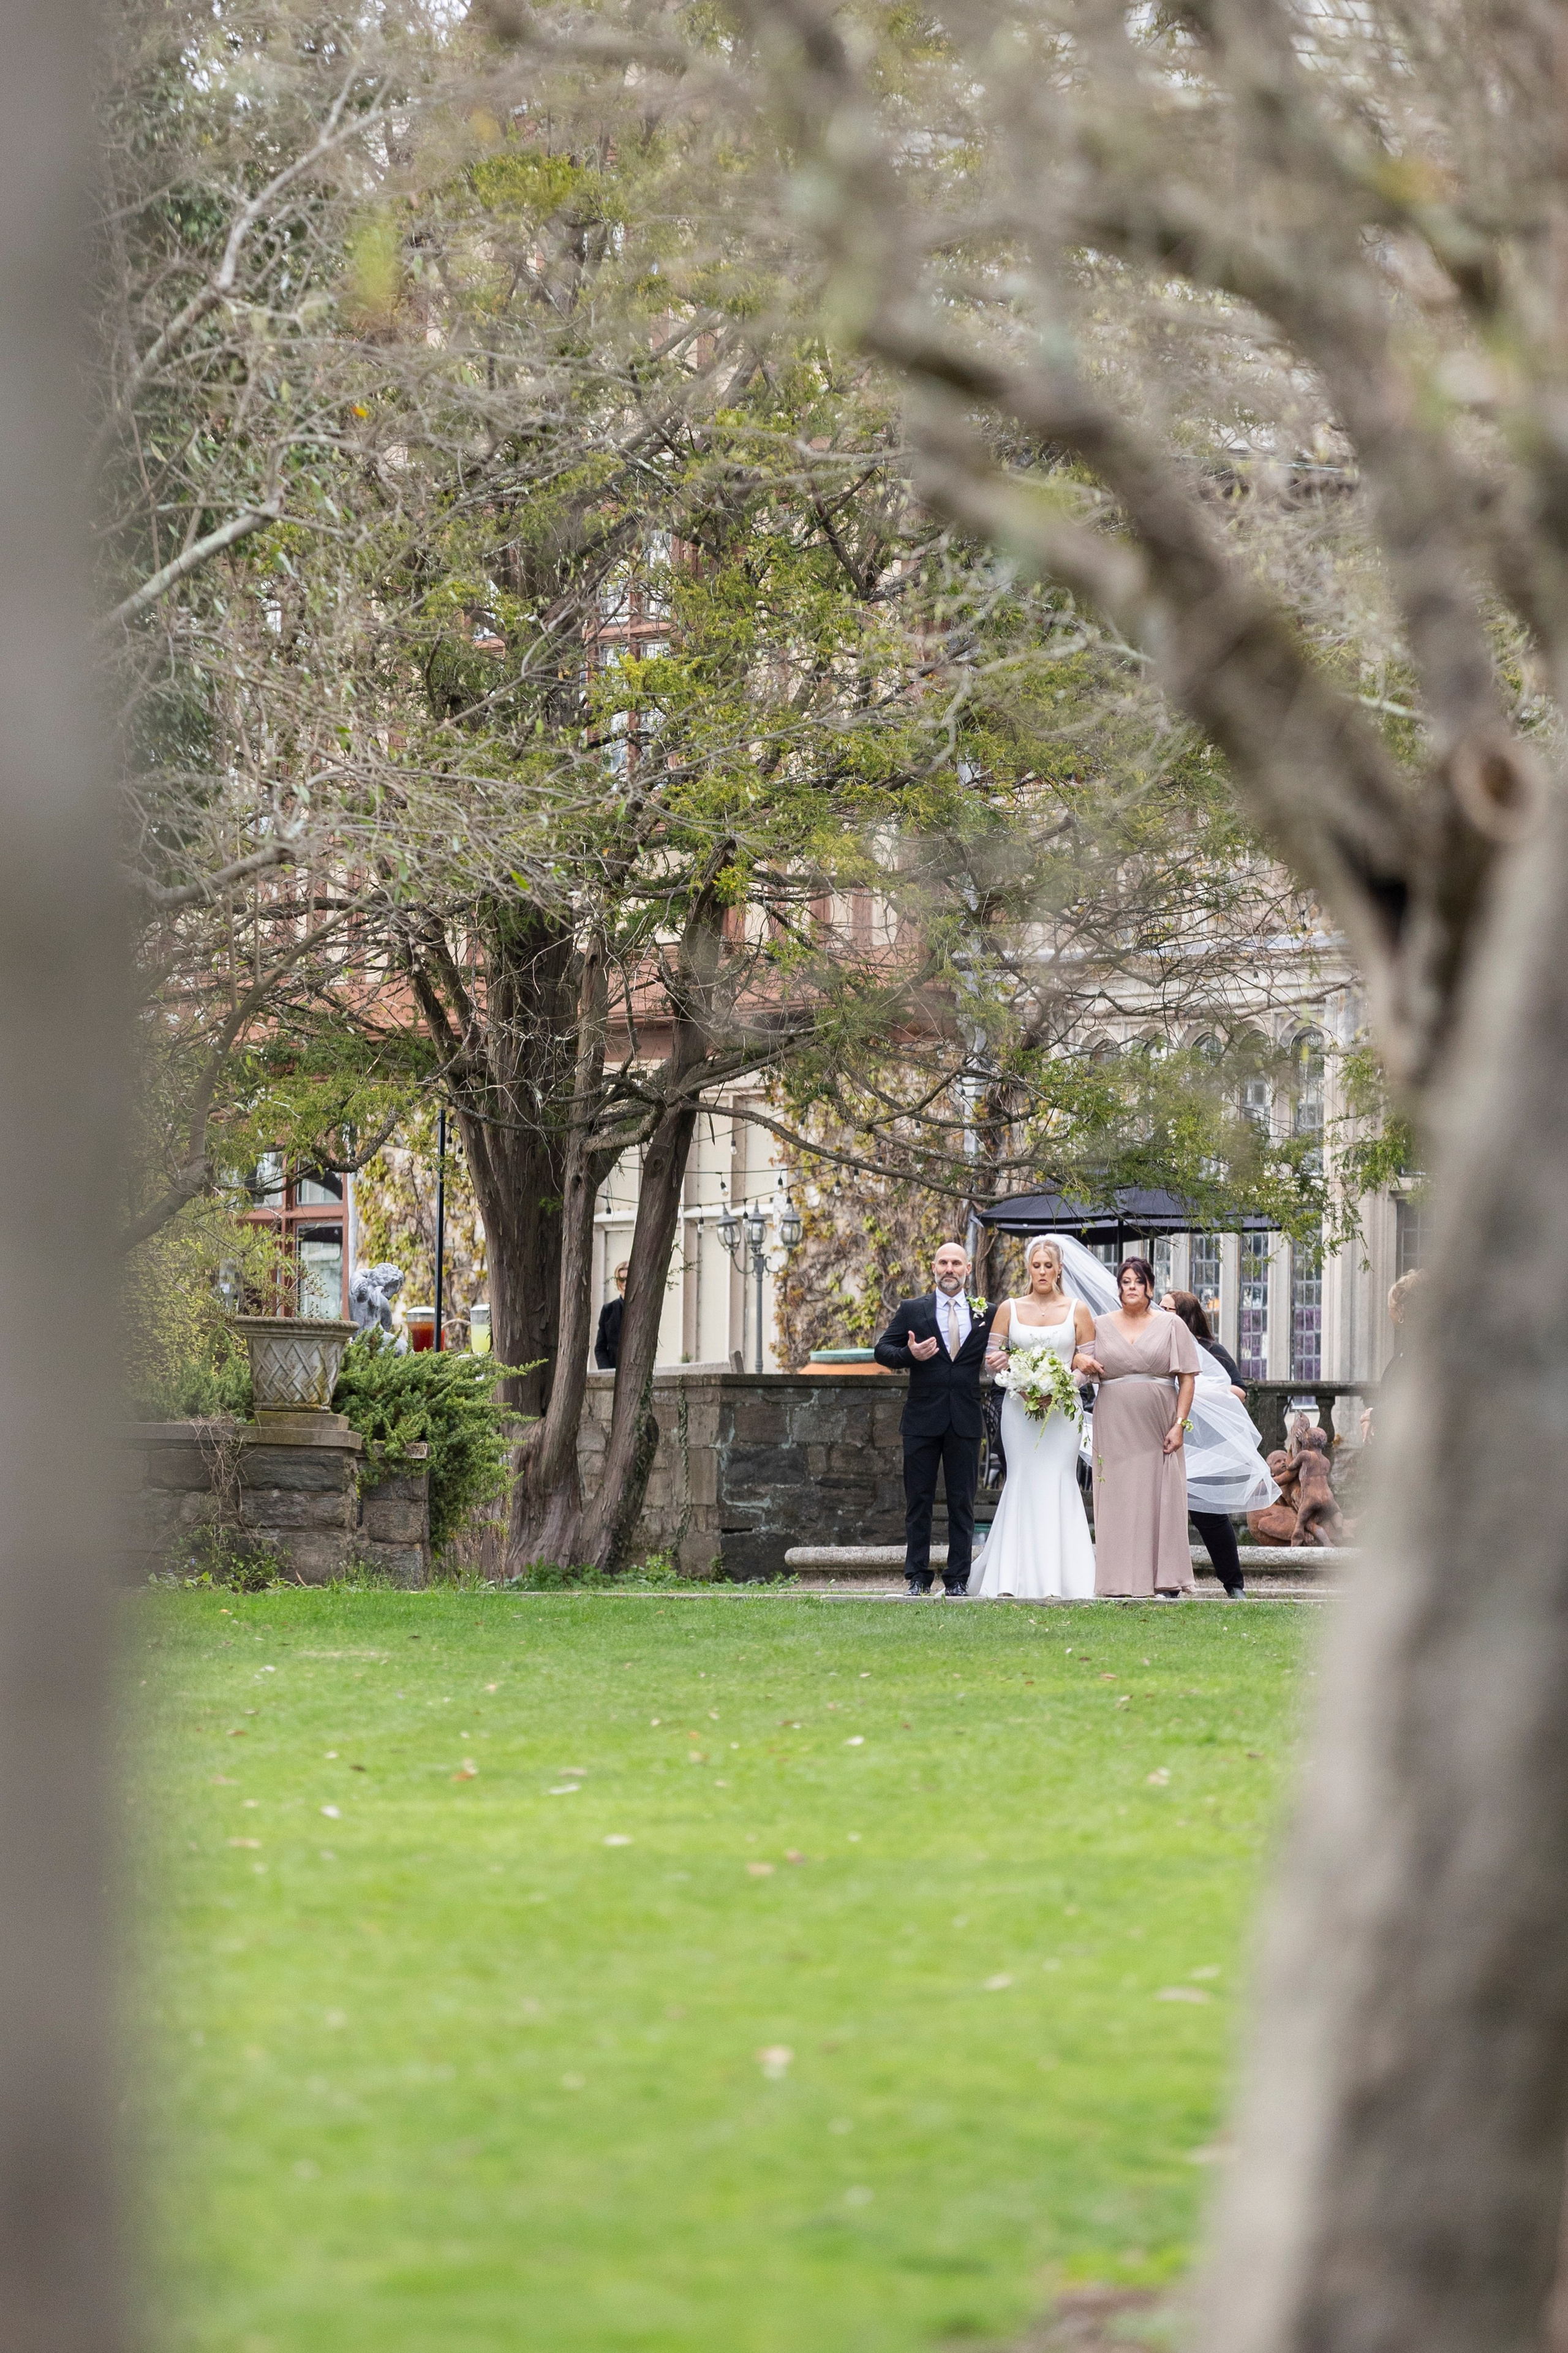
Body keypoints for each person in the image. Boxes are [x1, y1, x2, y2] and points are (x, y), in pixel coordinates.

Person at [969, 1235, 1097, 1600]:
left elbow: (1086, 1367)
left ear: (1059, 1269)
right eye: (1036, 1265)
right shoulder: (1009, 1308)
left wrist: (1057, 1388)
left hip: (1062, 1412)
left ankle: (1067, 1579)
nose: (1042, 1271)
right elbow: (994, 1361)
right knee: (1023, 1479)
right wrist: (1019, 1383)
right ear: (1029, 1268)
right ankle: (1011, 1577)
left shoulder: (1079, 1311)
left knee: (1058, 1479)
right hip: (1019, 1410)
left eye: (1048, 1265)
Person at [873, 1241, 996, 1597]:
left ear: (968, 1269)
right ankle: (917, 1577)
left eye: (956, 1263)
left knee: (963, 1502)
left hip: (965, 1417)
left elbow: (1006, 1352)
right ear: (933, 1268)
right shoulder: (914, 1309)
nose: (949, 1269)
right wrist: (909, 1354)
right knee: (919, 1501)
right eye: (943, 1262)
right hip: (922, 1419)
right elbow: (882, 1350)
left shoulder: (986, 1312)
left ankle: (958, 1579)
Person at [1076, 1257, 1200, 1599]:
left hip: (1158, 1422)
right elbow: (1080, 1364)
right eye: (1125, 1281)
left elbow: (1188, 1379)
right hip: (1113, 1421)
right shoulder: (1098, 1325)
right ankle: (1116, 1581)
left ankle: (1166, 1581)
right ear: (1118, 1288)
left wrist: (1179, 1425)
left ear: (1149, 1287)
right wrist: (1073, 1365)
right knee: (1116, 1497)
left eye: (1138, 1281)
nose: (1131, 1287)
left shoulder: (1172, 1326)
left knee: (1160, 1496)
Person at [1163, 1289, 1253, 1598]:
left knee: (1211, 1518)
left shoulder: (1212, 1350)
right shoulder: (1157, 1347)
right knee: (1166, 1514)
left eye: (1168, 1309)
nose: (1161, 1314)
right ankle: (1169, 1585)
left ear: (1185, 1315)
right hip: (1165, 1441)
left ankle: (1234, 1585)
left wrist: (1194, 1393)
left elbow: (1239, 1391)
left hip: (1204, 1446)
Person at [595, 1261, 628, 1369]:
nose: (625, 1283)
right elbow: (600, 1348)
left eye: (628, 1278)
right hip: (612, 1370)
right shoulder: (608, 1310)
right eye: (622, 1279)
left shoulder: (642, 1310)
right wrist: (607, 1373)